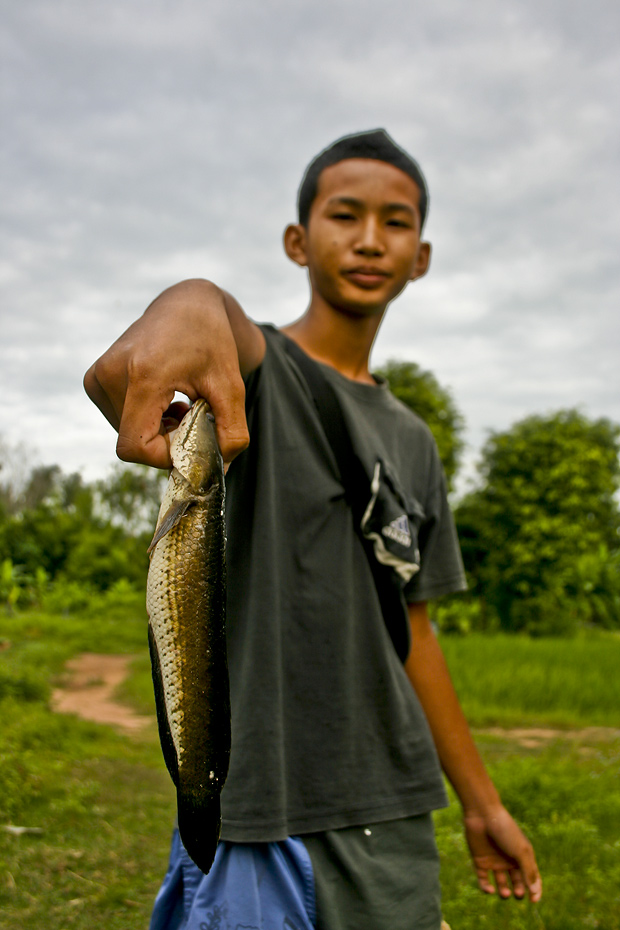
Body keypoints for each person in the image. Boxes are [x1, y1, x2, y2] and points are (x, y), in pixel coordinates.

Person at [85, 129, 542, 930]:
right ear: (299, 241)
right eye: (345, 215)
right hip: (261, 804)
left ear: (422, 255)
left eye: (395, 222)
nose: (370, 239)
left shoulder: (413, 440)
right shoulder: (257, 376)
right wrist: (190, 296)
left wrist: (482, 805)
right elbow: (207, 324)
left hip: (394, 807)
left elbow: (417, 635)